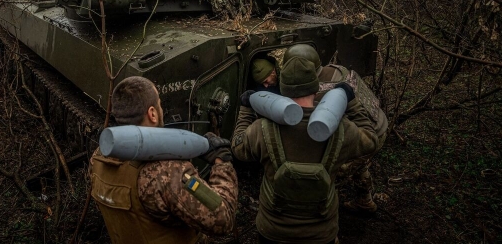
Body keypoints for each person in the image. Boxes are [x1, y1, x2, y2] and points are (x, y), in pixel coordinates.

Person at [232, 57, 379, 243]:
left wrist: (246, 110)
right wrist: (351, 102)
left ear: (282, 90)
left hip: (273, 231)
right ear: (316, 88)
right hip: (321, 233)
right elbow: (371, 140)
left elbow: (237, 147)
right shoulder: (342, 129)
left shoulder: (261, 129)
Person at [89, 76, 238, 243]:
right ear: (152, 113)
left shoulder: (98, 157)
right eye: (159, 104)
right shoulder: (168, 173)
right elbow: (223, 220)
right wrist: (222, 164)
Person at [283, 44, 388, 212]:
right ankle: (365, 201)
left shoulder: (319, 92)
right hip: (379, 123)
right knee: (359, 164)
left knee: (330, 173)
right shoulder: (339, 70)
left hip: (368, 134)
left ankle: (327, 222)